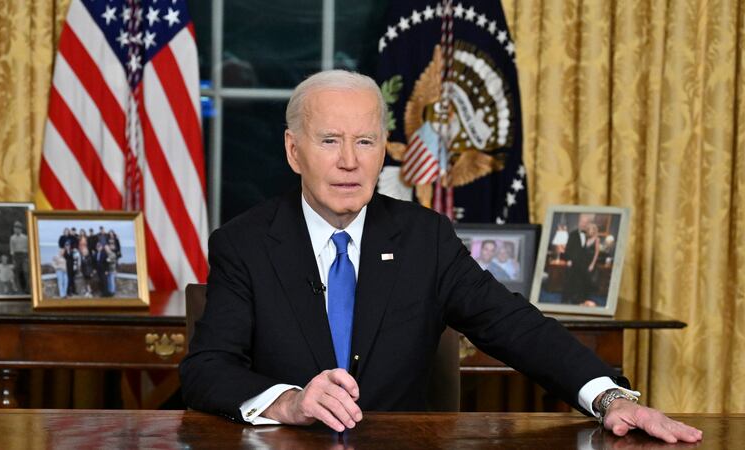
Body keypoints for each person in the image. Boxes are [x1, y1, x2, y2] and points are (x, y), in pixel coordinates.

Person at [180, 70, 701, 444]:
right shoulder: (244, 243)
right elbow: (206, 370)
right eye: (329, 140)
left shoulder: (423, 238)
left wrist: (612, 399)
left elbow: (515, 325)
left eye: (365, 141)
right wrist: (288, 402)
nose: (348, 161)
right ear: (294, 151)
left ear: (384, 149)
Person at [562, 214, 594, 305]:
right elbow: (568, 250)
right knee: (570, 283)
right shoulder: (573, 234)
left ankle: (580, 300)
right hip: (574, 263)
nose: (584, 224)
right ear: (579, 222)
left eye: (586, 222)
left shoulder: (589, 235)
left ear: (588, 224)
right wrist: (568, 260)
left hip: (584, 264)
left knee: (583, 283)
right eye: (582, 222)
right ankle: (565, 301)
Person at [9, 221, 29, 293]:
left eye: (18, 228)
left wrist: (27, 257)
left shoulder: (25, 237)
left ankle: (27, 288)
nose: (16, 230)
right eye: (15, 228)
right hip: (16, 256)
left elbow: (28, 248)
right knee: (17, 272)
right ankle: (19, 289)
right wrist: (13, 259)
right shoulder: (12, 238)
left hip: (24, 255)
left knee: (25, 271)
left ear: (21, 229)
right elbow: (11, 249)